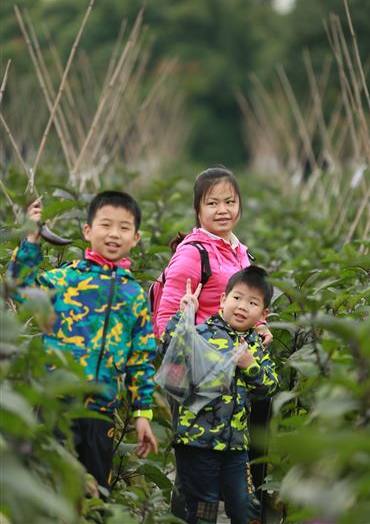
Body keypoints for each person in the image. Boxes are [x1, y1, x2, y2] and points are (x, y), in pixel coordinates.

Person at [8, 190, 158, 494]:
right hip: (57, 405)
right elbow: (20, 286)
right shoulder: (66, 280)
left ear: (136, 238)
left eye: (124, 227)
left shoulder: (134, 296)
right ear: (87, 231)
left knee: (92, 493)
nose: (114, 234)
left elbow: (140, 358)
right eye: (105, 225)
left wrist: (143, 413)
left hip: (100, 412)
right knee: (51, 489)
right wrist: (32, 240)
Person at [154, 166, 273, 511]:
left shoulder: (239, 251)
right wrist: (197, 357)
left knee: (234, 464)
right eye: (213, 203)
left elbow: (250, 303)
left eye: (230, 201)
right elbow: (165, 321)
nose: (223, 210)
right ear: (198, 210)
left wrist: (261, 326)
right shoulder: (194, 253)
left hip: (235, 378)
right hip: (201, 382)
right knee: (196, 473)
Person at [158, 266, 279, 524]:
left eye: (252, 302)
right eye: (236, 298)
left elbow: (268, 387)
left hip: (235, 446)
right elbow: (170, 351)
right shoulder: (202, 333)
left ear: (263, 314)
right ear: (223, 300)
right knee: (203, 510)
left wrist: (250, 365)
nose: (242, 306)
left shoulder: (255, 346)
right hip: (197, 442)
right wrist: (183, 314)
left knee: (246, 509)